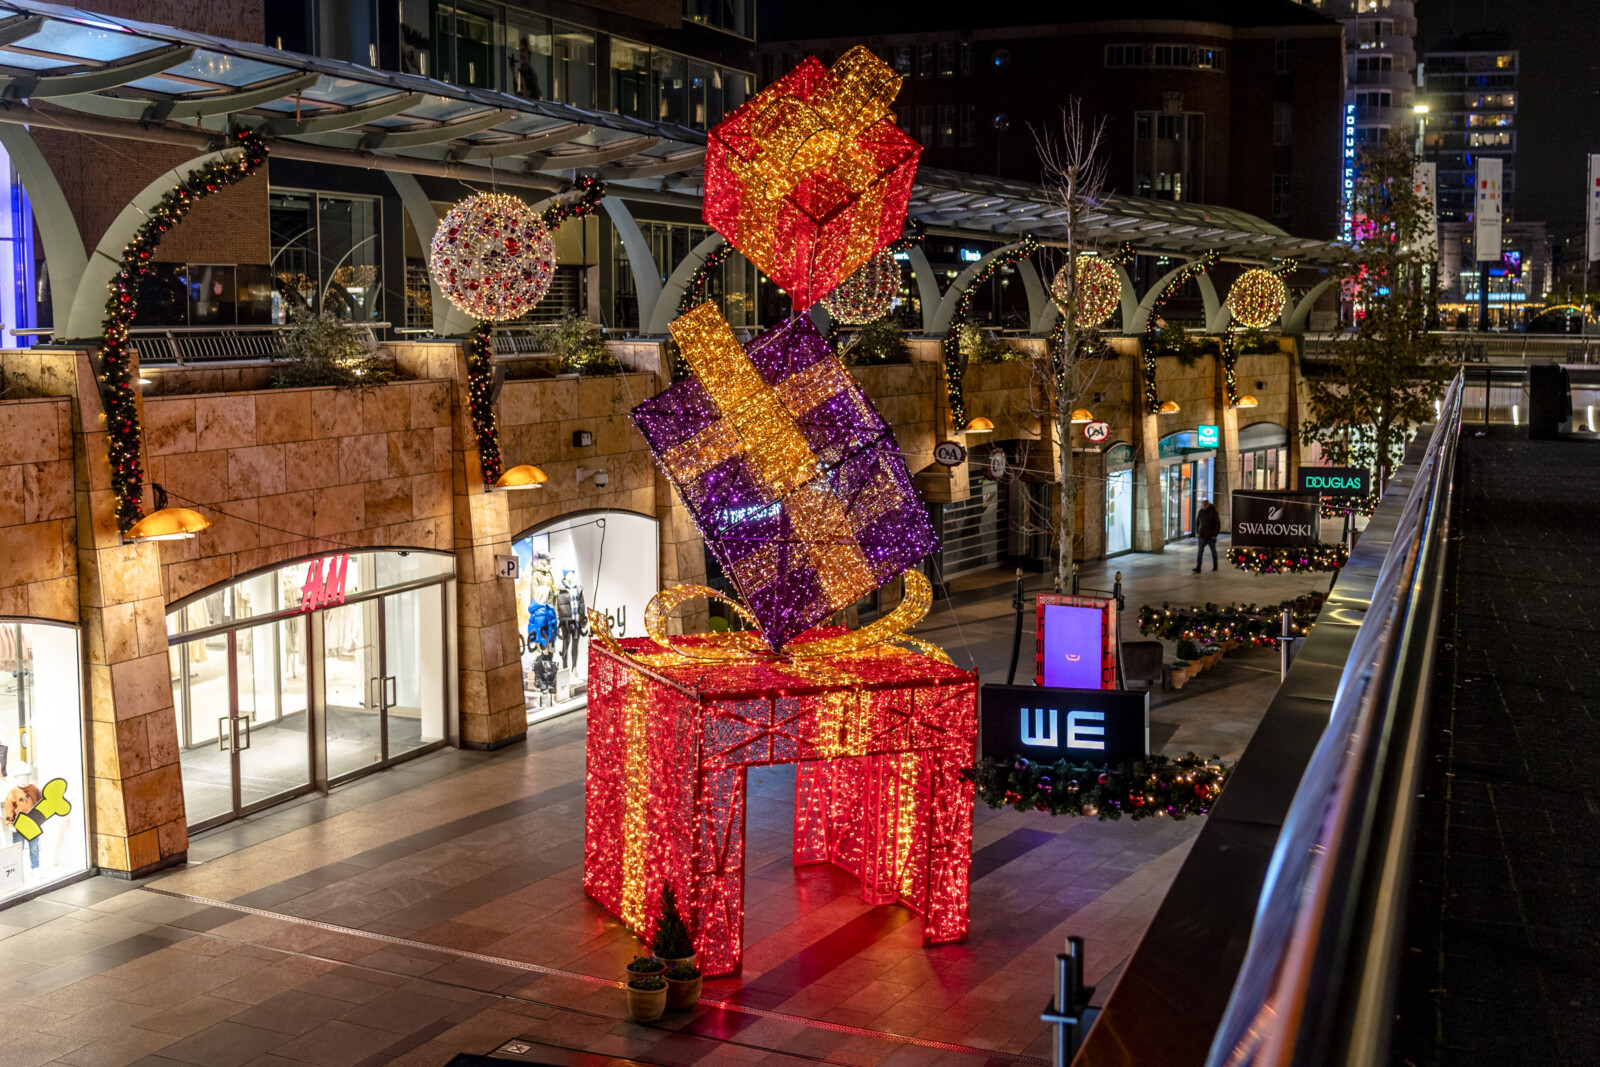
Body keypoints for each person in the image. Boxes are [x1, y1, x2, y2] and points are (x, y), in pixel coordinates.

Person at [1194, 500, 1221, 572]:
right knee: (1200, 551)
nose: (1204, 506)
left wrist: (1214, 535)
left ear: (1208, 505)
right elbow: (1197, 522)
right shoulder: (1200, 512)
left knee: (1213, 551)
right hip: (1202, 535)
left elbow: (1217, 525)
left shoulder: (1213, 512)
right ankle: (1198, 567)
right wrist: (1197, 532)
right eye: (1203, 505)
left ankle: (1215, 565)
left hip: (1211, 536)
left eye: (1205, 505)